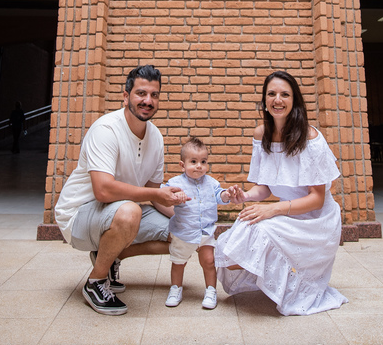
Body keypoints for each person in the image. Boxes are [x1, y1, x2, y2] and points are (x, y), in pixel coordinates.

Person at [53, 65, 188, 315]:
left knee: (183, 234)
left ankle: (111, 255)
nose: (148, 101)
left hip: (120, 212)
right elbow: (103, 191)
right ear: (126, 97)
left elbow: (153, 192)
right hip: (80, 215)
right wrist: (154, 195)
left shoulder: (156, 138)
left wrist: (187, 219)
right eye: (141, 93)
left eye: (154, 95)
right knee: (129, 212)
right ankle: (95, 282)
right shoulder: (106, 129)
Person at [214, 70, 347, 315]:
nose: (278, 100)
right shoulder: (260, 135)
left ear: (294, 101)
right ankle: (277, 280)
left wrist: (273, 210)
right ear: (264, 100)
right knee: (233, 246)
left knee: (261, 230)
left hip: (316, 219)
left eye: (285, 94)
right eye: (272, 94)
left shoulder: (311, 138)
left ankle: (294, 283)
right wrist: (245, 196)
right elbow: (265, 188)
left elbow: (317, 199)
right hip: (286, 211)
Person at [160, 137, 235, 310]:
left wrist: (225, 195)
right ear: (182, 165)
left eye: (203, 161)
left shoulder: (211, 183)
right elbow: (163, 195)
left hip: (206, 232)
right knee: (179, 262)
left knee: (209, 261)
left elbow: (219, 195)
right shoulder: (175, 183)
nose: (199, 166)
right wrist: (173, 197)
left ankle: (210, 290)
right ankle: (176, 288)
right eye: (193, 162)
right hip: (184, 232)